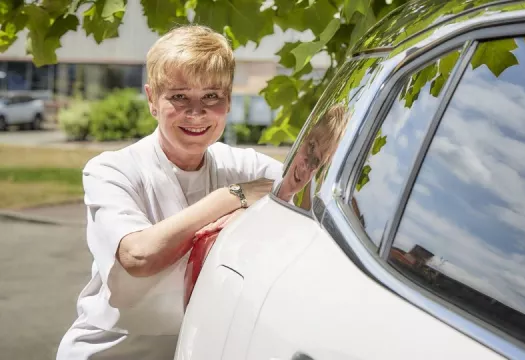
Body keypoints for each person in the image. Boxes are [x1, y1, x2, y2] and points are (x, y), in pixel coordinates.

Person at [56, 25, 282, 359]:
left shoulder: (241, 163)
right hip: (113, 351)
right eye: (179, 96)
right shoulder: (112, 169)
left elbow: (308, 185)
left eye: (211, 96)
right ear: (151, 99)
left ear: (229, 100)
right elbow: (139, 256)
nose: (196, 112)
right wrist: (232, 197)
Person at [276, 103, 348, 209]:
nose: (306, 166)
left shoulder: (303, 216)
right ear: (303, 139)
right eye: (311, 146)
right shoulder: (255, 167)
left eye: (317, 161)